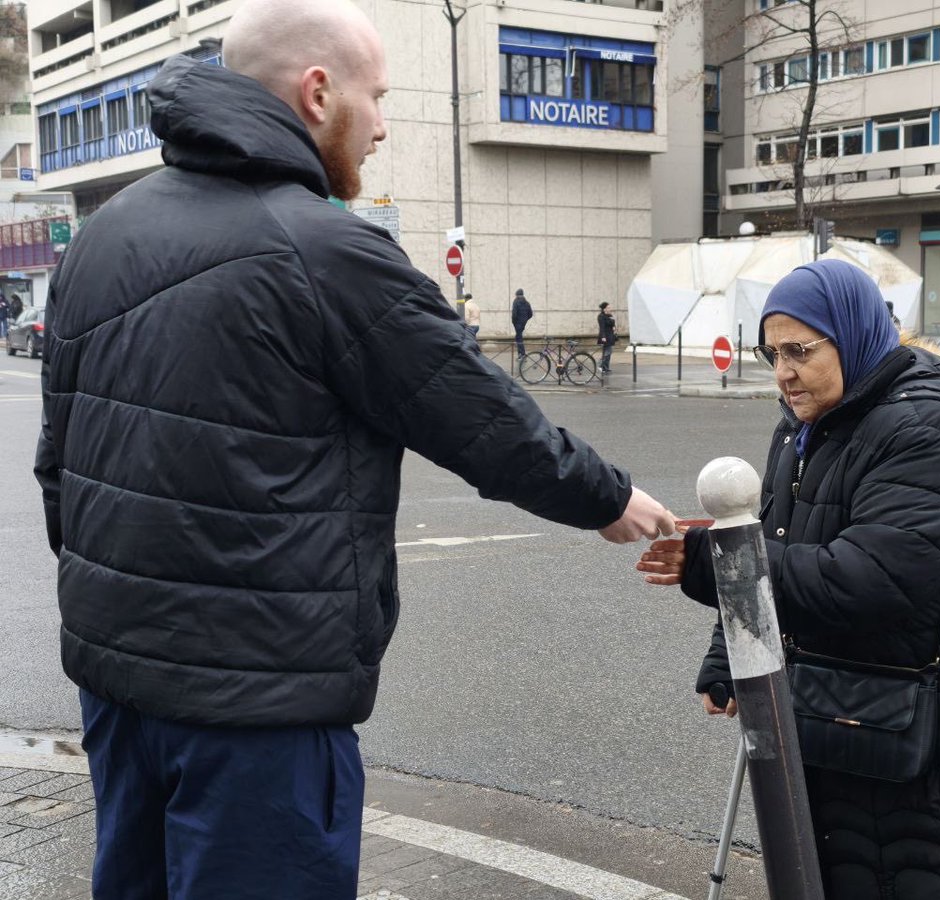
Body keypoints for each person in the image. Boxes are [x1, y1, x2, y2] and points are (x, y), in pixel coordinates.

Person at [33, 2, 676, 896]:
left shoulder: (105, 235)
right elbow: (481, 418)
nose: (381, 125)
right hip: (257, 704)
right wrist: (611, 497)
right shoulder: (325, 249)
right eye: (377, 98)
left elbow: (58, 464)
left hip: (116, 685)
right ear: (318, 91)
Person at [637, 259, 940, 900]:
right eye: (772, 353)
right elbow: (781, 538)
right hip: (865, 711)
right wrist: (729, 655)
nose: (784, 371)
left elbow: (877, 582)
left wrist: (719, 565)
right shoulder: (811, 420)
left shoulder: (917, 424)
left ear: (851, 337)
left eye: (800, 350)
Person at [597, 301, 617, 373]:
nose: (610, 309)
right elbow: (602, 327)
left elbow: (613, 324)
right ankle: (600, 365)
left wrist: (614, 327)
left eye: (610, 307)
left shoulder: (610, 315)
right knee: (607, 352)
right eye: (608, 307)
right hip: (605, 336)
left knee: (609, 352)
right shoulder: (601, 316)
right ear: (604, 309)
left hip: (610, 336)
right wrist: (603, 337)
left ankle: (606, 367)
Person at [511, 287, 532, 357]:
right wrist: (525, 319)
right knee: (518, 337)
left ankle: (522, 354)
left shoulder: (516, 301)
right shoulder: (527, 303)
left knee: (519, 338)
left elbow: (514, 314)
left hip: (517, 323)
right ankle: (520, 353)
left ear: (517, 295)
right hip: (523, 323)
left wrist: (514, 322)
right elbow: (530, 314)